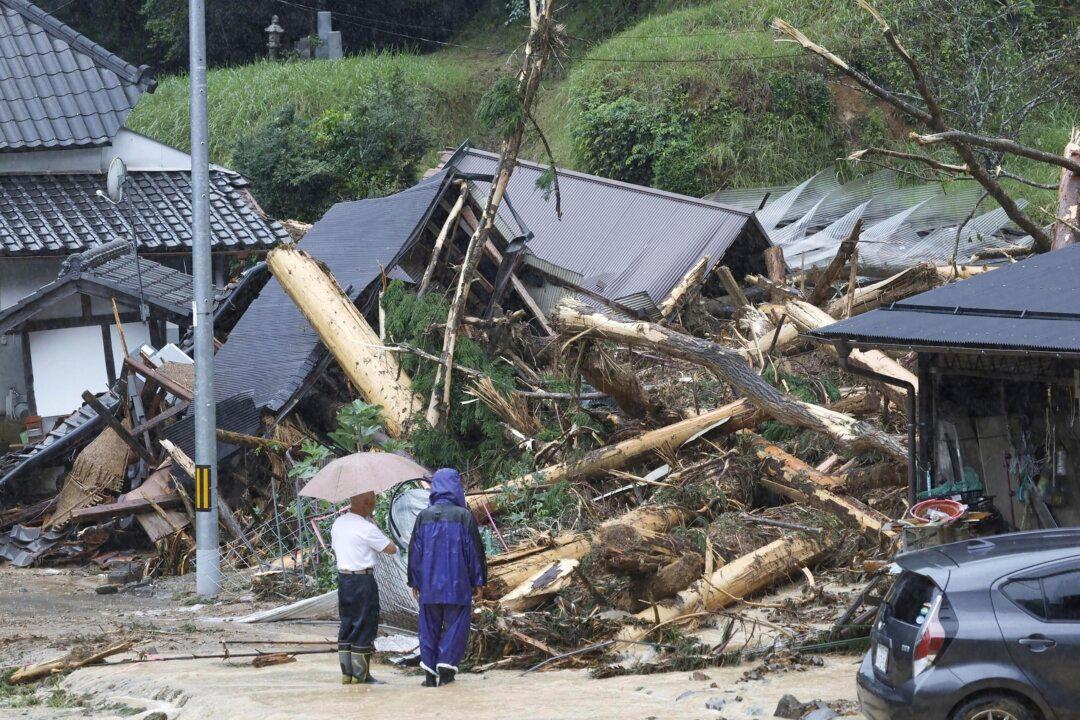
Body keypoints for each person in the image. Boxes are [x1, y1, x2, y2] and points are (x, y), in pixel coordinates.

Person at [407, 468, 487, 687]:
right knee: (456, 626)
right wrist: (478, 580)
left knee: (428, 627)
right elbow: (474, 552)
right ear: (455, 487)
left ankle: (429, 675)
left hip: (429, 586)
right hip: (458, 584)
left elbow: (415, 551)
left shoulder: (423, 516)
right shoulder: (464, 516)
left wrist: (414, 580)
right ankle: (446, 665)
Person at [330, 491, 397, 685]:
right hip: (362, 581)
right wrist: (375, 528)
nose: (374, 506)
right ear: (367, 503)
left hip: (344, 579)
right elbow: (391, 549)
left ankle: (347, 674)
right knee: (365, 623)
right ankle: (362, 675)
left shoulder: (338, 523)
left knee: (348, 622)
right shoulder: (366, 527)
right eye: (373, 502)